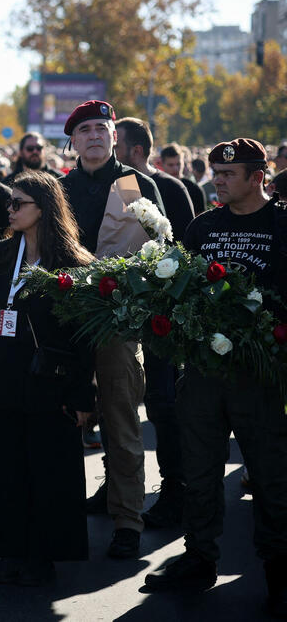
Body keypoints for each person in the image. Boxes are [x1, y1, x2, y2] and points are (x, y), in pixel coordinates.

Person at [144, 139, 287, 618]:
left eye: (229, 174)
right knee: (199, 470)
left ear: (257, 176)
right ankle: (199, 557)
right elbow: (180, 282)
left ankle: (279, 571)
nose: (218, 181)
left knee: (270, 476)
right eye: (215, 173)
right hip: (204, 372)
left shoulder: (281, 224)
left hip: (259, 375)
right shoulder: (204, 226)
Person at [0, 171, 95, 586]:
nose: (11, 209)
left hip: (49, 383)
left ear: (44, 210)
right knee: (2, 469)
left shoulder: (74, 262)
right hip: (1, 376)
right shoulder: (2, 255)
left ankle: (44, 553)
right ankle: (10, 548)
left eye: (19, 204)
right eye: (11, 203)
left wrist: (81, 395)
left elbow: (83, 338)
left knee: (49, 470)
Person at [59, 100, 164, 560]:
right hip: (64, 322)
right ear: (73, 142)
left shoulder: (130, 183)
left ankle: (127, 519)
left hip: (117, 320)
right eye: (86, 130)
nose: (95, 136)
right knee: (64, 419)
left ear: (115, 135)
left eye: (103, 128)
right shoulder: (59, 187)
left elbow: (161, 249)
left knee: (121, 422)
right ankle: (58, 513)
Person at [110, 117, 192, 528]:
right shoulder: (119, 184)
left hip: (160, 316)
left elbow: (176, 249)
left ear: (134, 150)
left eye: (116, 142)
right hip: (123, 311)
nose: (110, 148)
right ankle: (113, 486)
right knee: (118, 404)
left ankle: (176, 491)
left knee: (162, 403)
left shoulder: (162, 188)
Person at [159, 143, 207, 217]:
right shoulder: (157, 187)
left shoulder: (195, 189)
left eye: (178, 164)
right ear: (162, 164)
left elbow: (200, 221)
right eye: (170, 165)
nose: (176, 168)